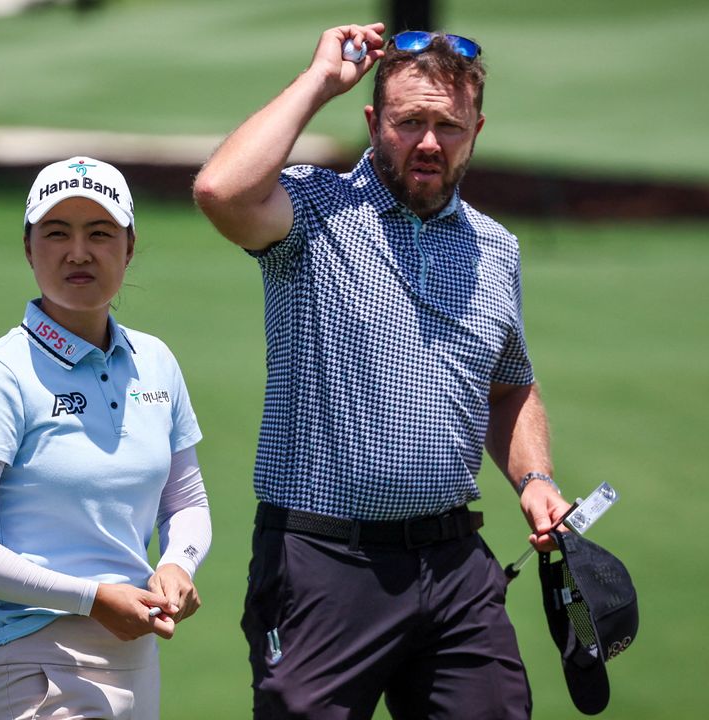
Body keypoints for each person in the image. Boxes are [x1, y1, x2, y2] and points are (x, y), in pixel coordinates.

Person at [193, 22, 573, 719]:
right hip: (323, 565)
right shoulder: (312, 210)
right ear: (373, 122)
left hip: (456, 565)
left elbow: (510, 385)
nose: (429, 142)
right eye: (409, 122)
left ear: (477, 130)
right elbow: (221, 190)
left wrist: (536, 477)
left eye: (448, 126)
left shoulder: (496, 248)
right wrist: (318, 82)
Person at [0, 157, 211, 720]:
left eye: (99, 233)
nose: (78, 252)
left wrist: (178, 562)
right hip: (35, 666)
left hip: (135, 656)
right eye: (57, 233)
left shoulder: (155, 362)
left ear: (129, 247)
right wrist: (91, 596)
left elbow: (187, 503)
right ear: (29, 248)